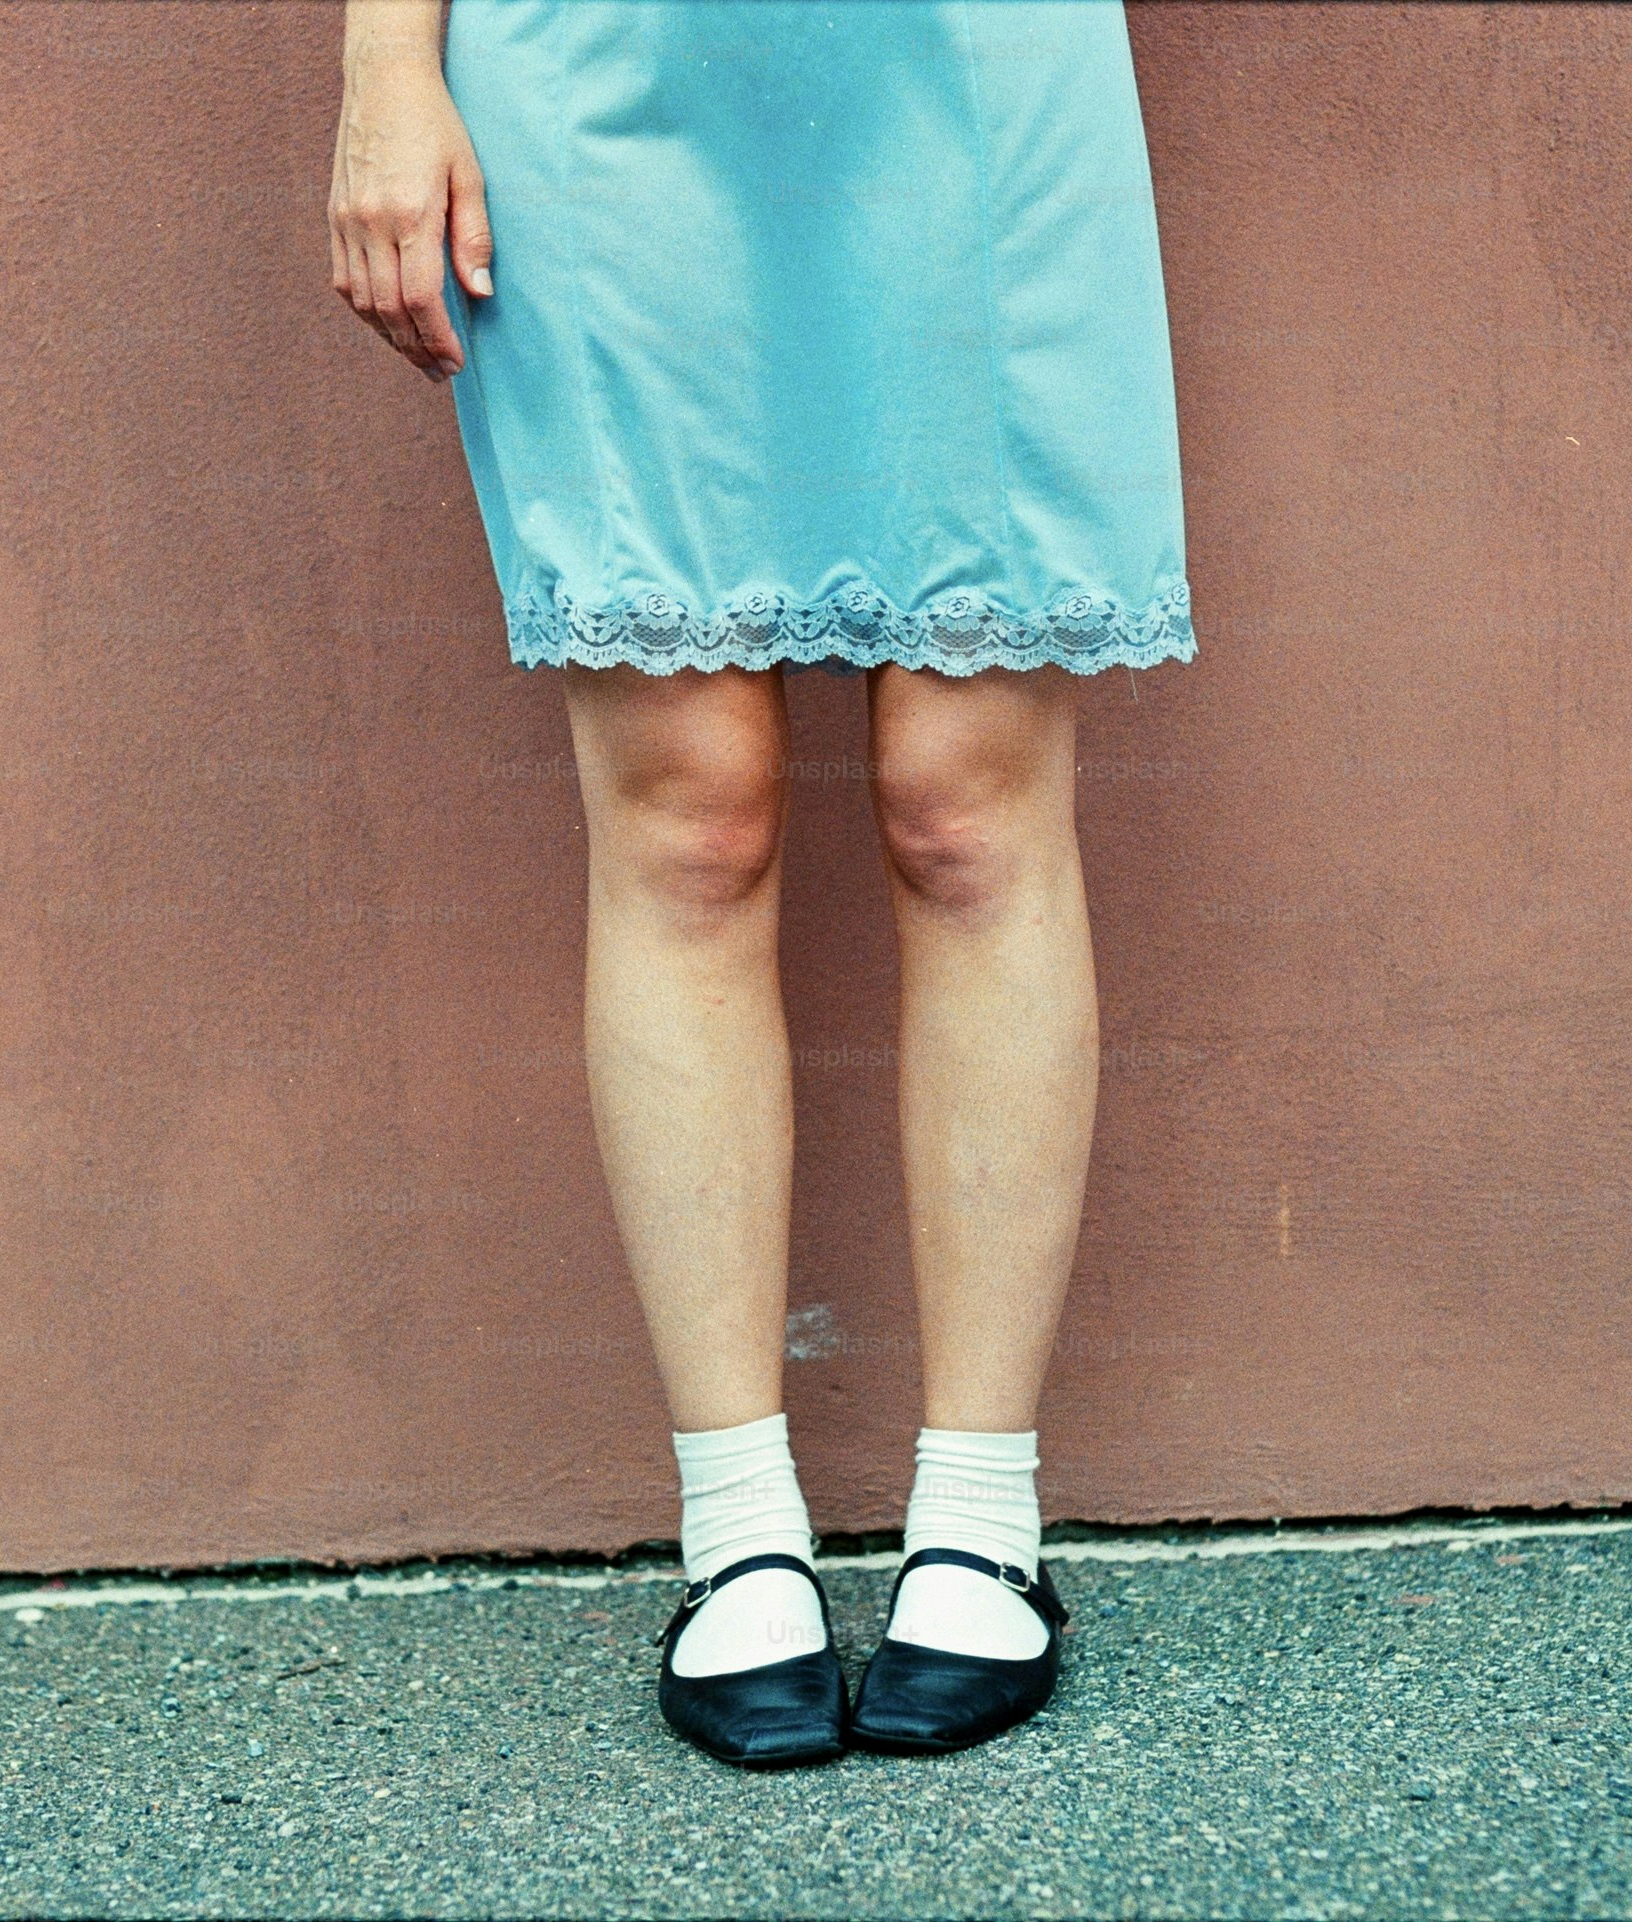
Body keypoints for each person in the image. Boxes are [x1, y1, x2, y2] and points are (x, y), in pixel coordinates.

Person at [329, 0, 1191, 1767]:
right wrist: (383, 67)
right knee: (684, 814)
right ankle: (735, 1526)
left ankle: (982, 1515)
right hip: (600, 73)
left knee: (968, 802)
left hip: (969, 64)